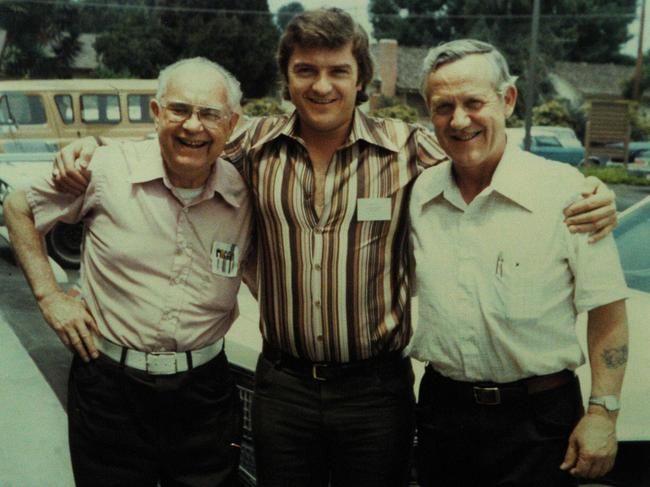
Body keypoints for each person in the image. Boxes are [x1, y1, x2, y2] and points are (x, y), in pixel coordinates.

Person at [51, 9, 618, 487]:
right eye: (306, 71)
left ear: (360, 79)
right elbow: (186, 134)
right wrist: (92, 146)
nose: (322, 85)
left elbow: (479, 151)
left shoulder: (410, 150)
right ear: (288, 80)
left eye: (337, 71)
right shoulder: (252, 145)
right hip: (284, 387)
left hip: (376, 391)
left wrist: (592, 190)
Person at [5, 57, 254, 487]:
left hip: (204, 395)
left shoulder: (244, 190)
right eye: (179, 109)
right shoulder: (105, 170)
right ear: (156, 114)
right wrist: (49, 297)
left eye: (209, 114)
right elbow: (18, 207)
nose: (193, 126)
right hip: (109, 389)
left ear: (231, 124)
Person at [407, 39, 629, 487]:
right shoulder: (419, 195)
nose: (459, 119)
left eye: (474, 102)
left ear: (507, 100)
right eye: (443, 106)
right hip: (442, 416)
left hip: (539, 423)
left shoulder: (567, 195)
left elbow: (607, 310)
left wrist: (603, 413)